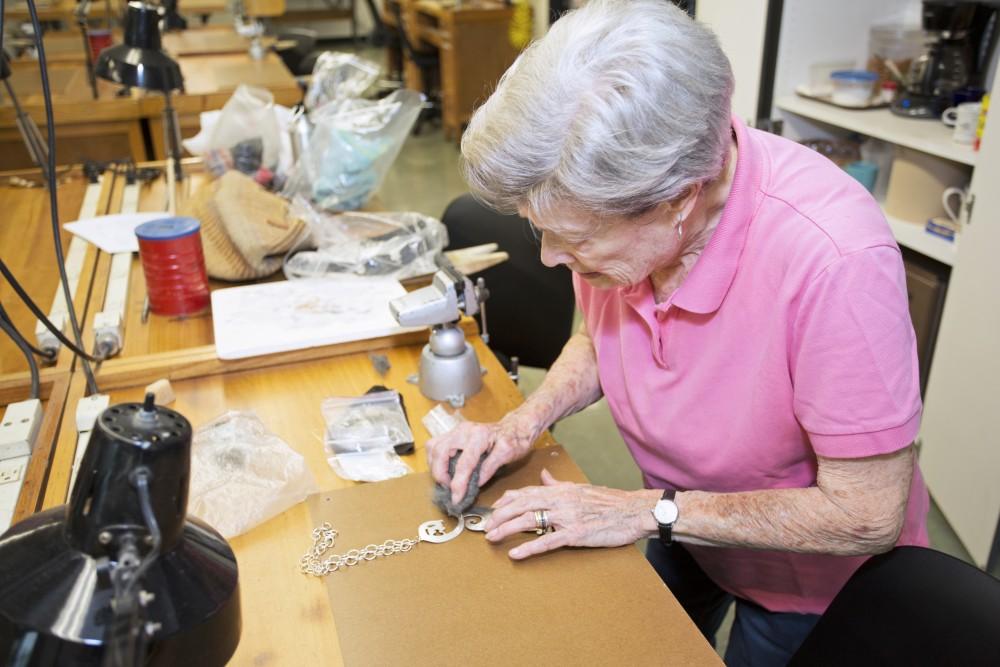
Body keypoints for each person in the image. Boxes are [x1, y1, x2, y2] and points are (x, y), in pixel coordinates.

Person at [426, 0, 930, 664]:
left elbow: (866, 513)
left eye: (573, 239)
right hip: (679, 526)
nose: (549, 258)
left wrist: (649, 512)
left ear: (680, 198)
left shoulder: (836, 261)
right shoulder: (624, 206)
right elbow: (599, 339)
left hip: (801, 583)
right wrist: (526, 420)